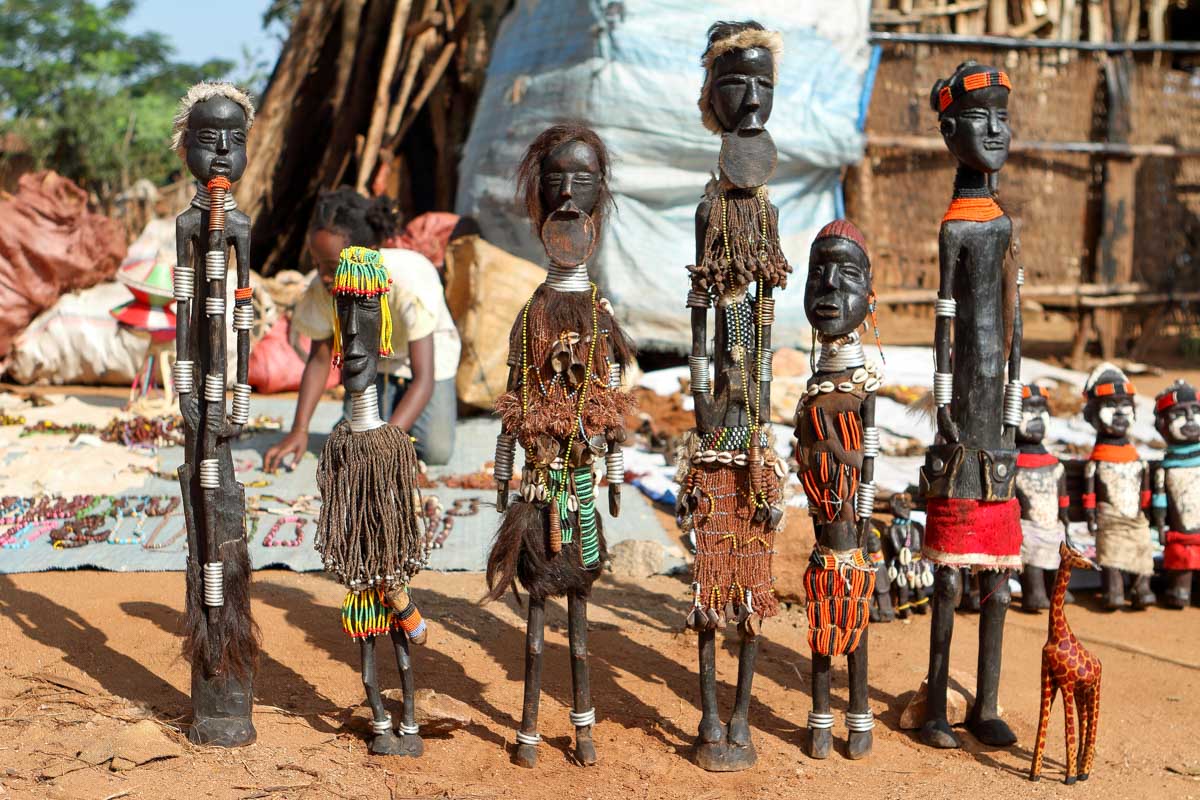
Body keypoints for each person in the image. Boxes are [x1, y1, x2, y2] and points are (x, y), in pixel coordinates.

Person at [263, 188, 461, 469]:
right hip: (375, 363)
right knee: (354, 442)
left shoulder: (408, 284)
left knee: (434, 449)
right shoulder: (324, 288)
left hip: (428, 358)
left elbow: (423, 378)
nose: (324, 276)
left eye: (331, 266)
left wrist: (384, 445)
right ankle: (380, 416)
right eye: (317, 265)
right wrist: (299, 430)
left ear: (367, 256)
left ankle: (394, 422)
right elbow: (319, 361)